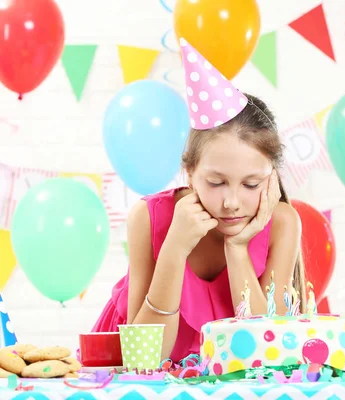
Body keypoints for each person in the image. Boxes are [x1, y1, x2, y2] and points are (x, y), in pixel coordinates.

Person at [91, 40, 307, 363]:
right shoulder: (148, 218)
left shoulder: (282, 223)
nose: (232, 202)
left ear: (272, 178)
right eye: (216, 182)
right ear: (190, 172)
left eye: (251, 184)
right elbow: (143, 360)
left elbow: (269, 355)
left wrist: (237, 251)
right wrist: (174, 249)